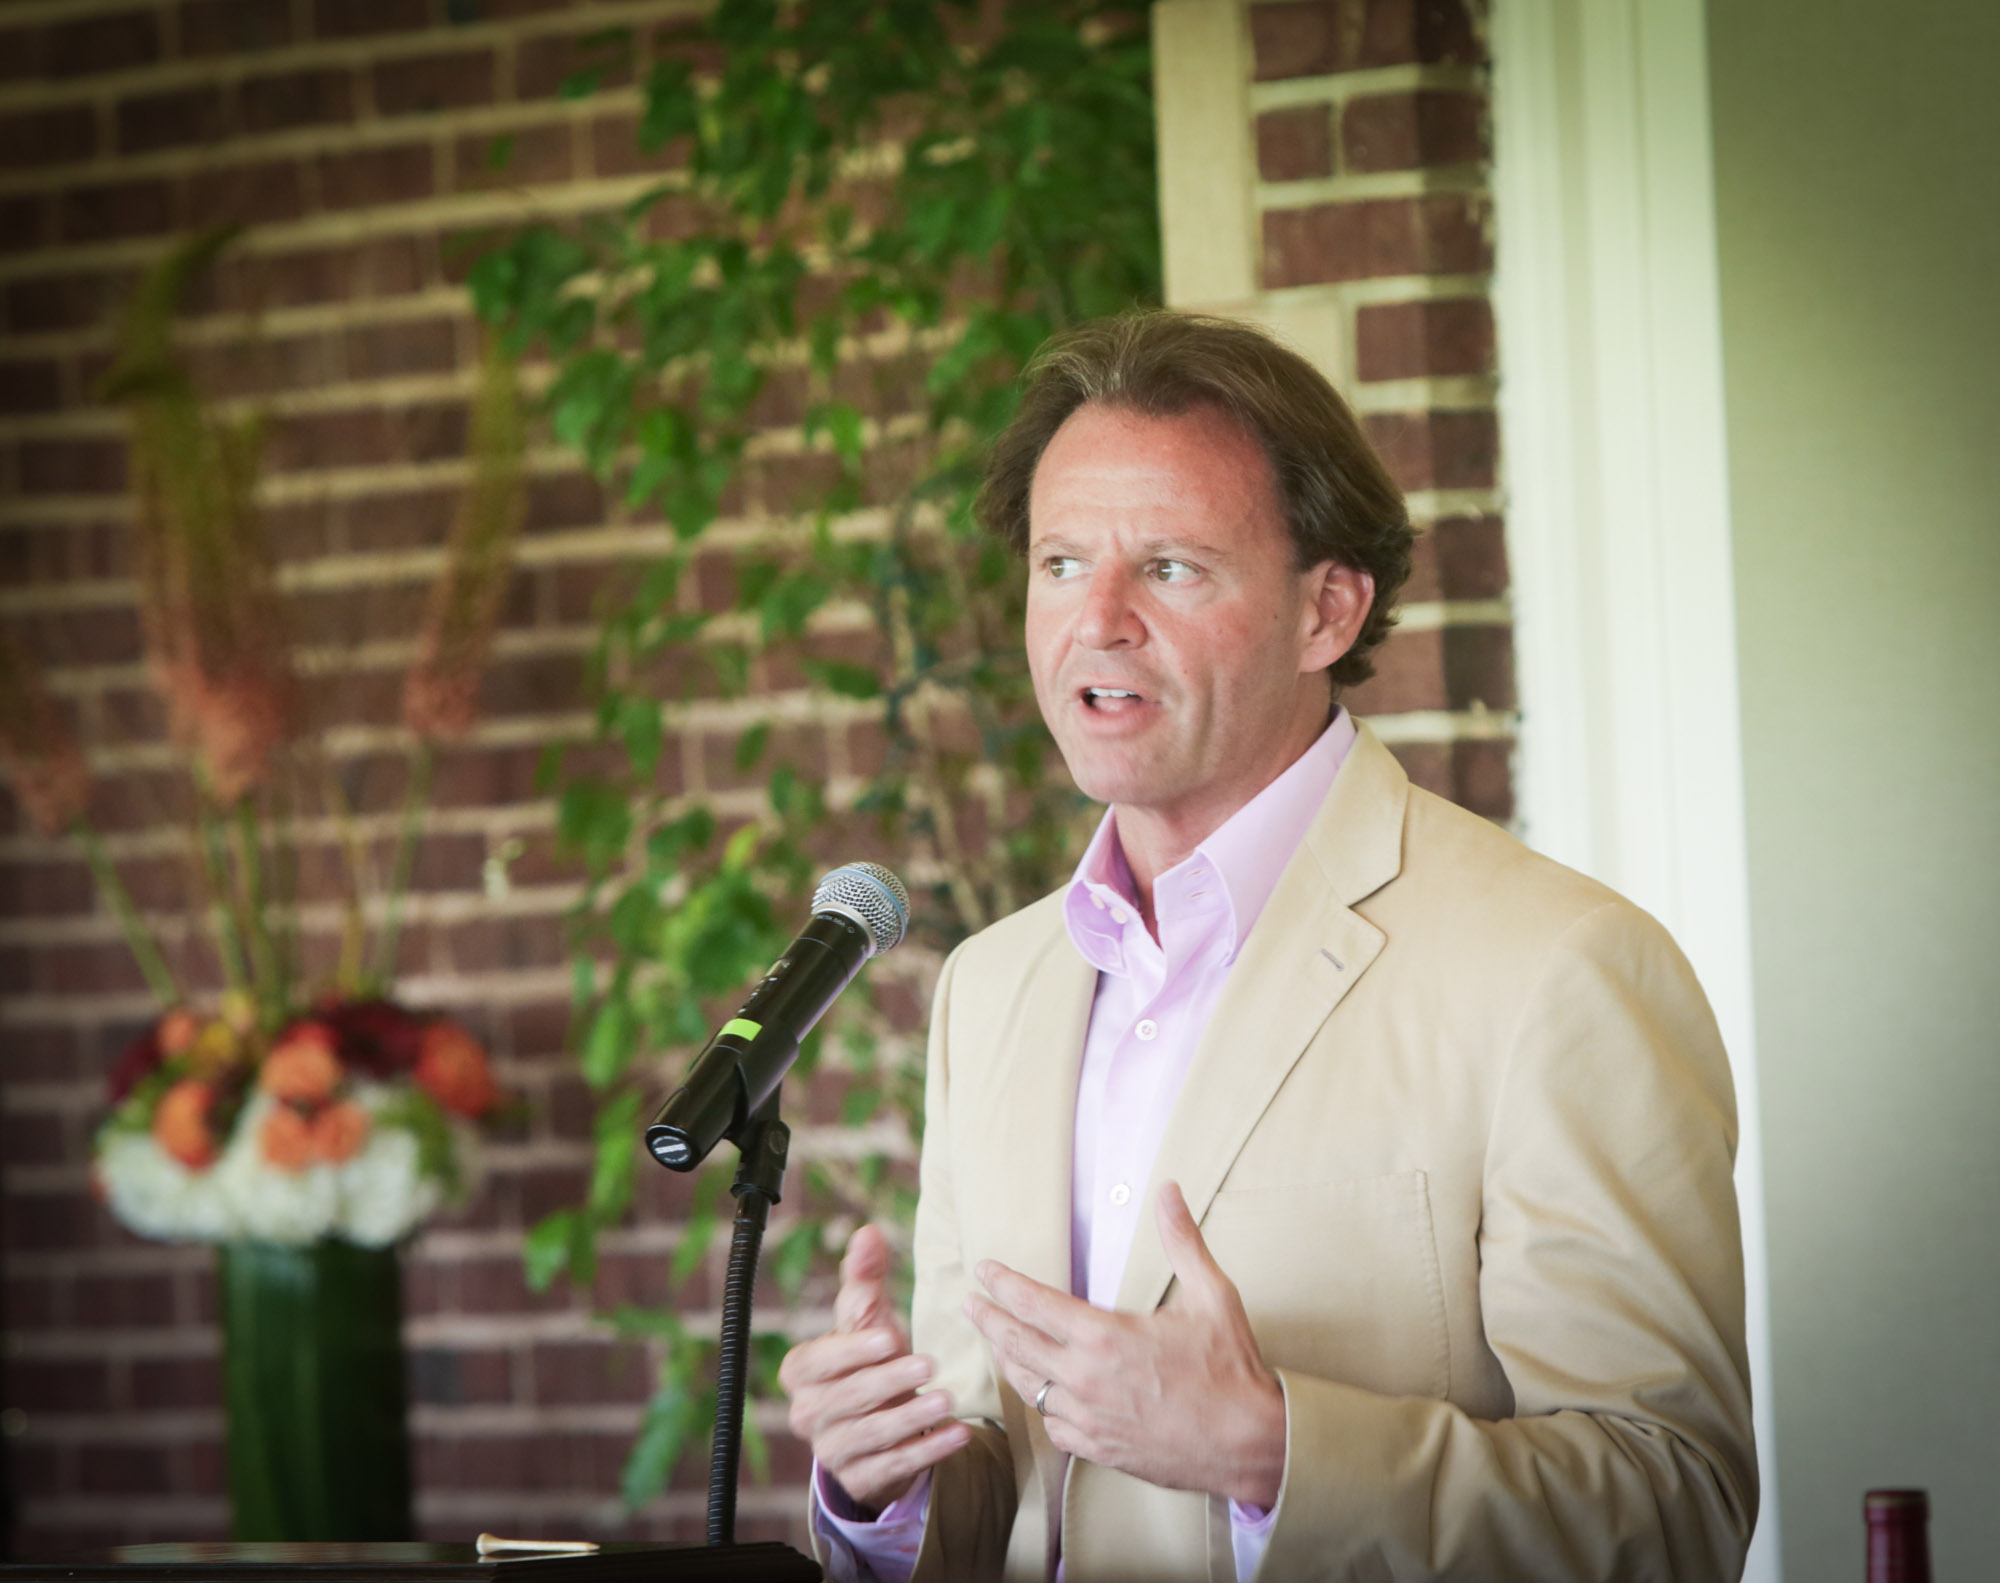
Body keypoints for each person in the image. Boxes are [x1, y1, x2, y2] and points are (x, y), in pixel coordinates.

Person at [777, 312, 1757, 1581]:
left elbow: (1670, 1504)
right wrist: (886, 1488)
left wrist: (1273, 1449)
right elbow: (1015, 1491)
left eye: (1171, 566)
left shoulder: (1558, 967)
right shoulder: (992, 987)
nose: (1099, 618)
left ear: (1326, 609)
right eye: (1062, 561)